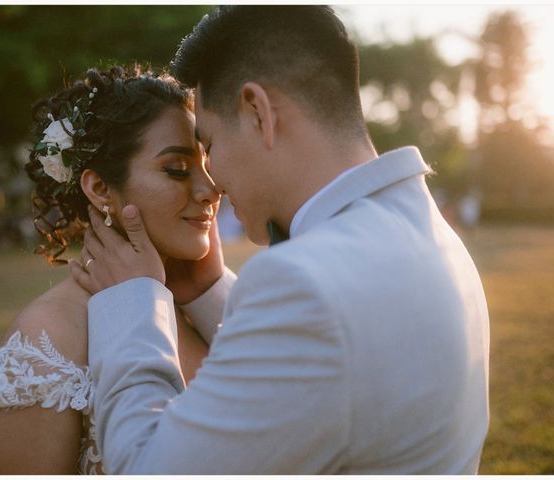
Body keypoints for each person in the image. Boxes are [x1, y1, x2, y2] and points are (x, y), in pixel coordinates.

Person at [71, 6, 490, 474]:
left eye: (209, 147)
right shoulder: (430, 233)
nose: (215, 183)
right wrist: (210, 295)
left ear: (257, 112)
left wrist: (130, 302)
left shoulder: (302, 284)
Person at [0, 65, 219, 474]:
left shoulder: (199, 309)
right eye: (178, 169)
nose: (211, 190)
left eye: (208, 164)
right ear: (100, 188)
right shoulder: (44, 346)